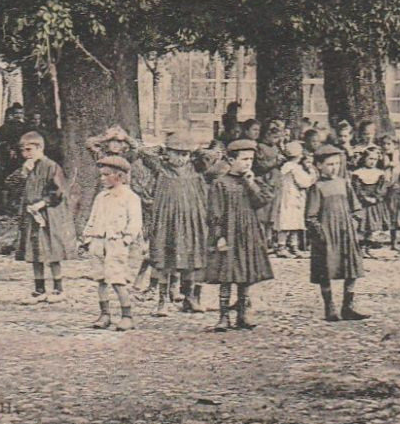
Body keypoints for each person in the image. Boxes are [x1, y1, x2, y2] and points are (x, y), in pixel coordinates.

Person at [135, 131, 210, 316]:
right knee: (164, 261)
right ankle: (162, 301)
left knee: (192, 259)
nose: (182, 158)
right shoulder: (161, 168)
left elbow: (212, 157)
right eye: (177, 152)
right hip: (167, 221)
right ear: (168, 152)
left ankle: (190, 298)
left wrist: (197, 150)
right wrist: (161, 149)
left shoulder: (196, 169)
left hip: (191, 222)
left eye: (185, 154)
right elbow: (143, 152)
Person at [203, 139, 273, 331]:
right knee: (227, 274)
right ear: (230, 160)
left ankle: (242, 314)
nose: (247, 163)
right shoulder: (220, 183)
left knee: (245, 274)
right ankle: (223, 316)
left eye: (250, 159)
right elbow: (215, 213)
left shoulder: (252, 181)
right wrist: (219, 236)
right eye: (243, 159)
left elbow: (262, 201)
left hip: (248, 232)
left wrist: (250, 183)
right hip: (229, 232)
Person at [80, 155, 145, 330]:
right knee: (100, 279)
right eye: (101, 175)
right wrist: (87, 237)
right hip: (98, 242)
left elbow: (135, 222)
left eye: (106, 175)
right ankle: (105, 314)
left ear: (120, 176)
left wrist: (127, 239)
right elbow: (92, 218)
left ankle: (127, 316)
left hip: (117, 243)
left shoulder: (130, 198)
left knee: (117, 279)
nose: (102, 178)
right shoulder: (101, 197)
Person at [8, 131, 74, 304]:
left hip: (48, 215)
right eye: (23, 151)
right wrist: (23, 173)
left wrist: (43, 203)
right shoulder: (26, 167)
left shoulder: (51, 166)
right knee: (35, 250)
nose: (26, 154)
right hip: (30, 216)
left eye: (29, 150)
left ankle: (58, 289)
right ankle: (39, 290)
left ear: (40, 148)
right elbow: (9, 185)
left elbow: (58, 191)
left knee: (51, 251)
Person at [306, 145, 367, 321]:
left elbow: (356, 207)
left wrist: (354, 224)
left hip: (346, 232)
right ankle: (329, 307)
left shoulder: (344, 183)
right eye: (330, 164)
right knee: (325, 269)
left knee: (352, 268)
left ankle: (348, 306)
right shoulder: (317, 187)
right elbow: (310, 216)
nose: (335, 168)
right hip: (327, 235)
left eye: (337, 164)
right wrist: (321, 234)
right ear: (319, 165)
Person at [272, 140, 316, 257]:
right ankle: (284, 247)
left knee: (290, 222)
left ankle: (292, 246)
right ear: (299, 155)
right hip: (292, 198)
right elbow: (304, 182)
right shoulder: (295, 168)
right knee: (289, 223)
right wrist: (312, 172)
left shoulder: (285, 167)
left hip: (288, 197)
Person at [351, 147, 391, 257]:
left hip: (375, 203)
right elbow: (356, 188)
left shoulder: (380, 173)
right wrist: (364, 198)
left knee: (371, 226)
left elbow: (382, 188)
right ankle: (361, 247)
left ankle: (368, 247)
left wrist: (376, 198)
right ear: (364, 159)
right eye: (370, 158)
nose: (372, 161)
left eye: (375, 159)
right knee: (362, 225)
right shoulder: (358, 173)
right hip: (362, 203)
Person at [0, 104, 29, 191]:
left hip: (21, 159)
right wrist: (8, 149)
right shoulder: (4, 128)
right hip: (7, 161)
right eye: (16, 113)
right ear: (12, 114)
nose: (18, 115)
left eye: (21, 113)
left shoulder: (26, 128)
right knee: (7, 186)